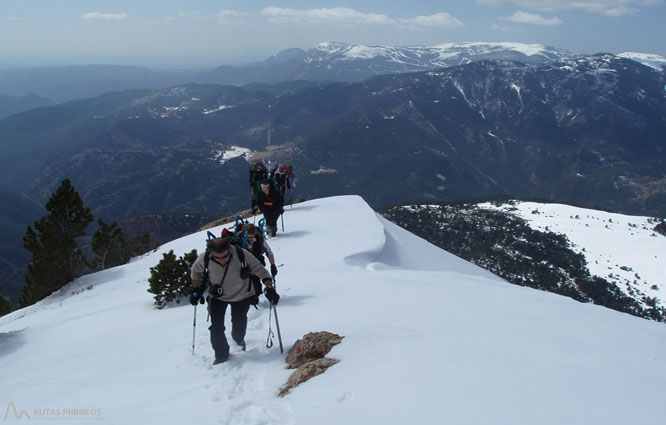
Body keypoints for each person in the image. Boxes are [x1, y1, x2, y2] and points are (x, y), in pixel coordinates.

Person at [190, 238, 280, 365]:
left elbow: (259, 269)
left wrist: (269, 287)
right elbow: (195, 271)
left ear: (229, 249)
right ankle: (221, 355)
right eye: (218, 258)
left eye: (225, 256)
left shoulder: (241, 254)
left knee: (239, 321)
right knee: (216, 327)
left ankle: (238, 339)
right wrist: (196, 290)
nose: (222, 260)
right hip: (217, 296)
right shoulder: (205, 257)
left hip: (242, 294)